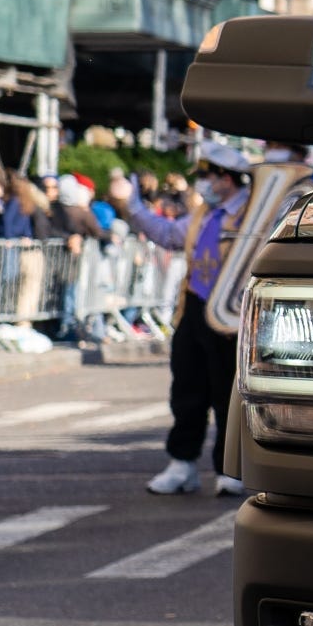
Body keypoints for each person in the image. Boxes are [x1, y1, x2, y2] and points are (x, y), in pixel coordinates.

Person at [112, 143, 264, 497]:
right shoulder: (203, 214)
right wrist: (133, 207)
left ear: (226, 178)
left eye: (208, 176)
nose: (203, 184)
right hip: (195, 307)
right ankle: (182, 464)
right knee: (187, 388)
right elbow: (168, 234)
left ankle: (232, 468)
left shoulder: (254, 214)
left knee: (229, 394)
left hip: (232, 314)